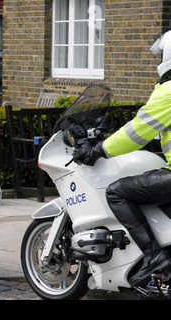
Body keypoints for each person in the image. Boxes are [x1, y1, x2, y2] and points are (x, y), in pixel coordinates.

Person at [73, 31, 171, 287]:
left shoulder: (168, 92)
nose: (158, 60)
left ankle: (154, 256)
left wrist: (98, 150)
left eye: (161, 54)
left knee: (117, 191)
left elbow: (136, 132)